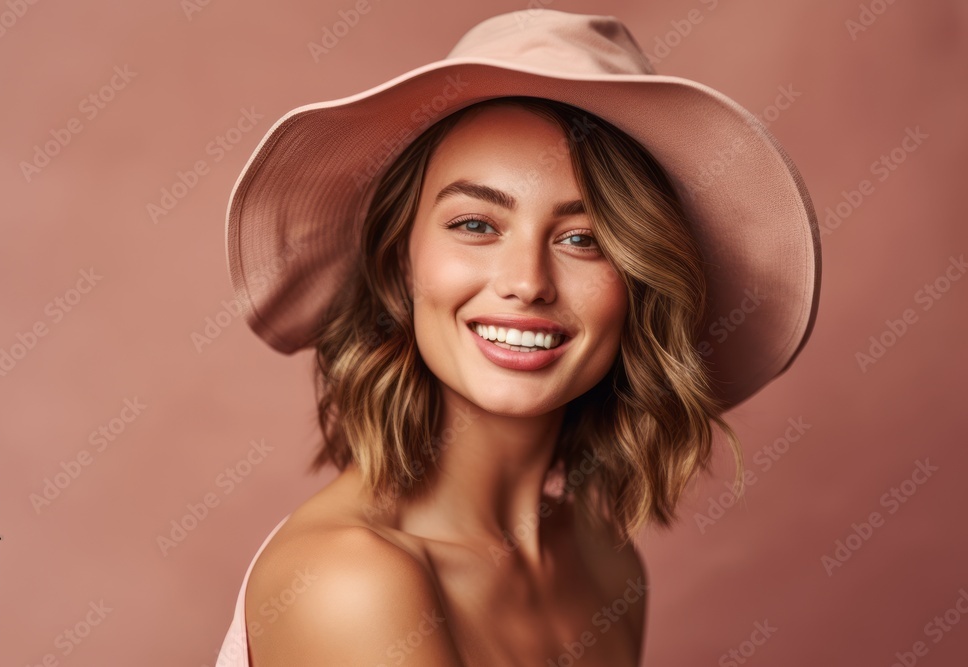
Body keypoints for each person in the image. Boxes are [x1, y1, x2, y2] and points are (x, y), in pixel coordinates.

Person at [215, 9, 821, 667]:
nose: (527, 282)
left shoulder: (608, 564)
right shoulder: (348, 580)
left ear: (639, 286)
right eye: (476, 224)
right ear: (400, 260)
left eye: (583, 239)